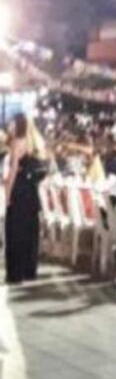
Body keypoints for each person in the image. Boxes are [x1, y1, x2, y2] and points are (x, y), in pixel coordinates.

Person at [4, 115, 48, 284]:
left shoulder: (18, 141)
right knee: (30, 230)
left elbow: (14, 168)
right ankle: (29, 269)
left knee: (15, 230)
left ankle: (16, 272)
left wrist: (8, 193)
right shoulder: (37, 141)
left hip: (20, 189)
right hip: (32, 191)